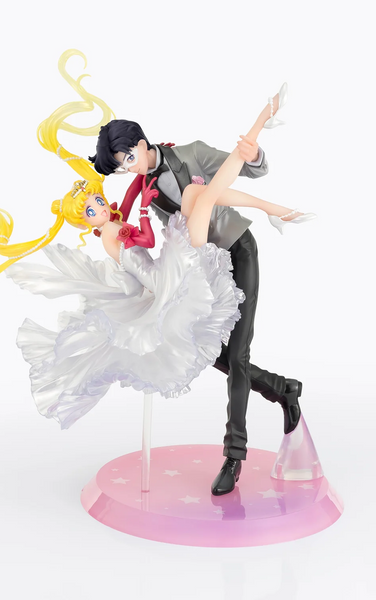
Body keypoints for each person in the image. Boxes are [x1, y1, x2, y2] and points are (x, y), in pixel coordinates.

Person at [89, 83, 309, 496]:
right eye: (121, 166)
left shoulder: (190, 153)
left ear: (141, 143)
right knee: (202, 350)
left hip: (238, 251)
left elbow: (246, 172)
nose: (129, 169)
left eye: (129, 158)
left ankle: (234, 456)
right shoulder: (142, 190)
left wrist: (253, 154)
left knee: (238, 354)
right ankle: (283, 389)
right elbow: (146, 230)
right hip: (203, 266)